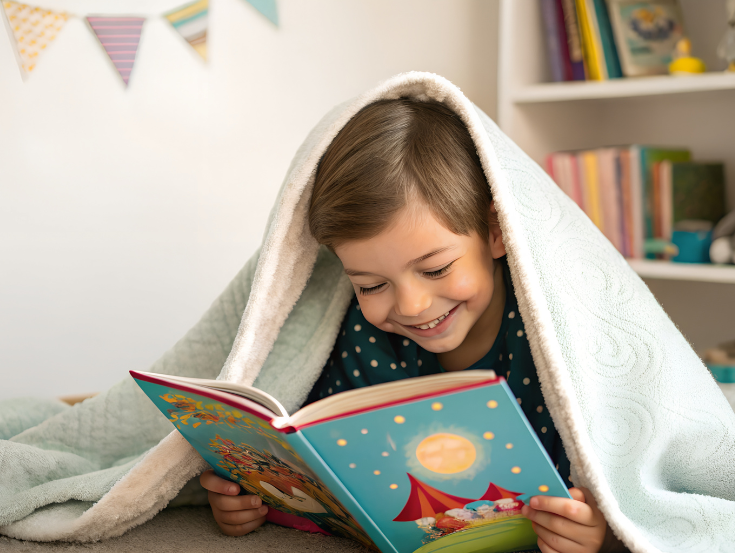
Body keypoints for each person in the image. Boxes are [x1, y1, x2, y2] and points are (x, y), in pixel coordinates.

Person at [199, 98, 624, 552]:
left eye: (437, 269)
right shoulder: (361, 338)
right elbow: (317, 461)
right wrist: (249, 496)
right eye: (371, 284)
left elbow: (628, 483)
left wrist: (599, 528)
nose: (413, 305)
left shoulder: (552, 337)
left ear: (496, 232)